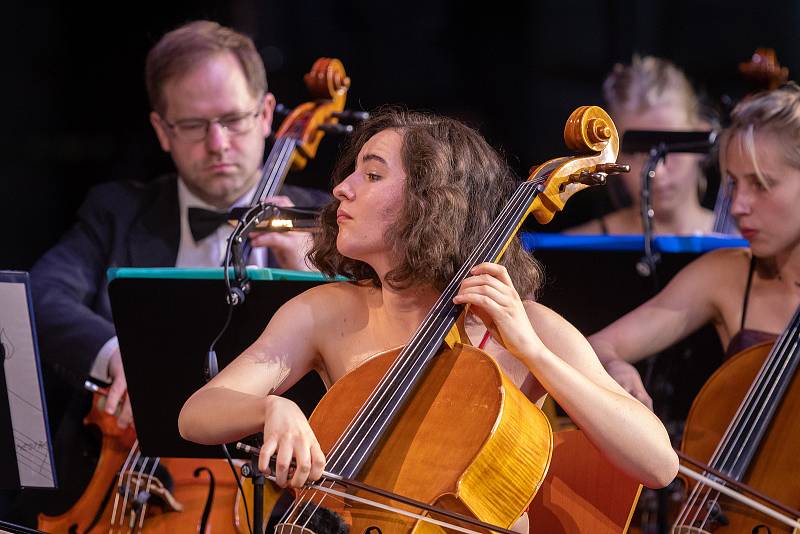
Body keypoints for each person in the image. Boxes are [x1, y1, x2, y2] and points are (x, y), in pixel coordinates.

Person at [178, 109, 679, 530]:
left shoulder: (528, 327)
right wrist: (271, 410)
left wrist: (533, 352)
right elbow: (197, 414)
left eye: (372, 175)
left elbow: (657, 464)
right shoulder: (324, 312)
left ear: (434, 204)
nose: (342, 190)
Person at [16, 20, 329, 522]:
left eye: (234, 119)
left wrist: (313, 274)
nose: (219, 143)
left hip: (280, 500)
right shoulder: (117, 211)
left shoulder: (333, 222)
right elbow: (42, 296)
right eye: (193, 125)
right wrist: (120, 355)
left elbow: (381, 354)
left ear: (268, 113)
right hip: (131, 491)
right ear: (162, 130)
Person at [589, 83, 800, 409]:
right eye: (733, 183)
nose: (737, 206)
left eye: (761, 183)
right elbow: (596, 347)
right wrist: (615, 367)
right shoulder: (726, 275)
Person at [567, 56, 714, 235]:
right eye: (636, 153)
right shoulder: (577, 248)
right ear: (614, 154)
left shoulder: (743, 245)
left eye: (673, 146)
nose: (657, 172)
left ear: (702, 138)